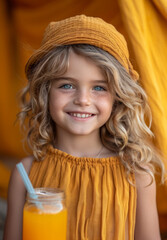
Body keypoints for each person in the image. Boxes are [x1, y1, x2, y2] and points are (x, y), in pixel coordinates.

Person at [3, 15, 165, 240]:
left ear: (117, 97)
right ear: (45, 92)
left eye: (99, 88)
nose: (83, 100)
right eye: (67, 85)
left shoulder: (137, 175)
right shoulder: (26, 174)